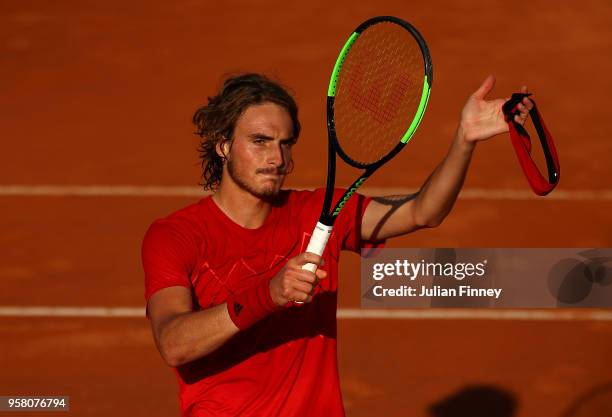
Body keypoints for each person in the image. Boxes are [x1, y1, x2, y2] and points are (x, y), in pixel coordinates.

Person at [141, 73, 532, 416]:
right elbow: (173, 344)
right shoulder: (175, 236)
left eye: (285, 143)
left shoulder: (318, 211)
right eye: (259, 141)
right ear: (222, 145)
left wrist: (464, 139)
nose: (276, 158)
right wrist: (269, 294)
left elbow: (422, 212)